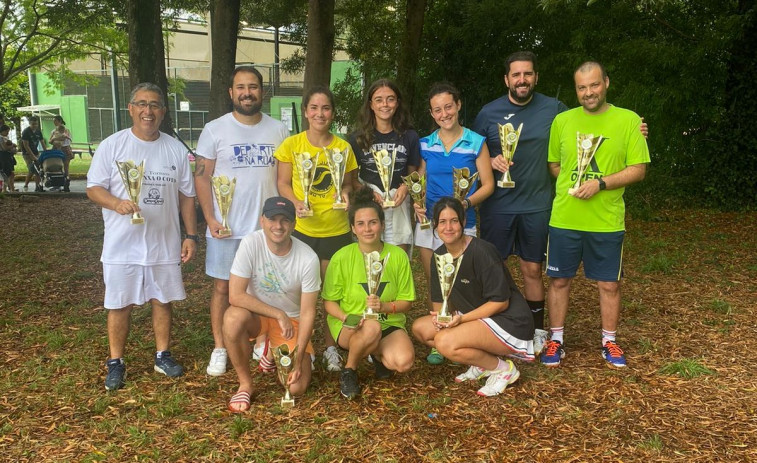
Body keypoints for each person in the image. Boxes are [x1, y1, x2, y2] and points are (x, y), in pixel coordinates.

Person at [473, 51, 650, 356]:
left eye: (527, 73)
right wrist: (490, 159)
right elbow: (472, 153)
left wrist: (634, 136)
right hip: (508, 206)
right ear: (506, 79)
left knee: (535, 269)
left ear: (536, 77)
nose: (522, 79)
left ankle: (540, 332)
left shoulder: (558, 110)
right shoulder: (494, 114)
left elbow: (616, 152)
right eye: (516, 75)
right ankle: (495, 328)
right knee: (500, 270)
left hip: (544, 206)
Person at [86, 82, 198, 391]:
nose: (148, 111)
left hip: (164, 241)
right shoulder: (113, 145)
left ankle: (162, 355)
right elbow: (93, 187)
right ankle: (116, 362)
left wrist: (191, 235)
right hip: (122, 244)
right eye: (142, 104)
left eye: (155, 105)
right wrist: (116, 203)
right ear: (131, 108)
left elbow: (187, 196)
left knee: (162, 300)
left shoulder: (175, 148)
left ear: (163, 111)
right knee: (119, 303)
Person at [540, 61, 650, 369]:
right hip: (564, 218)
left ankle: (609, 341)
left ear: (606, 83)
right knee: (559, 281)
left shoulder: (628, 121)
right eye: (582, 87)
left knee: (609, 285)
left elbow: (638, 170)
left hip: (606, 221)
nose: (588, 92)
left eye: (594, 85)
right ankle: (556, 339)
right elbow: (554, 165)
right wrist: (574, 186)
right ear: (576, 89)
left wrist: (599, 184)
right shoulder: (562, 121)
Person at [194, 65, 290, 377]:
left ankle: (263, 342)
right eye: (241, 87)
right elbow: (202, 177)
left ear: (263, 92)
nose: (247, 93)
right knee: (223, 288)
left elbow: (285, 179)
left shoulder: (278, 130)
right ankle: (220, 346)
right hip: (227, 228)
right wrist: (209, 218)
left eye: (253, 87)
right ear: (231, 93)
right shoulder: (214, 130)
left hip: (267, 229)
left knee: (264, 289)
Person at [412, 197, 534, 397]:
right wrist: (441, 319)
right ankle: (482, 362)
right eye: (442, 222)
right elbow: (439, 301)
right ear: (435, 225)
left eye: (454, 221)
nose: (448, 227)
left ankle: (504, 370)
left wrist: (460, 320)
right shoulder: (439, 256)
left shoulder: (482, 251)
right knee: (421, 329)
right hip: (473, 317)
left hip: (507, 321)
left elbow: (500, 302)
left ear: (462, 223)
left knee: (444, 342)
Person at [275, 86, 358, 372]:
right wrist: (296, 202)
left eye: (325, 108)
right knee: (299, 293)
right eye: (314, 108)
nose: (320, 113)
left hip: (335, 231)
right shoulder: (292, 145)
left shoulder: (343, 148)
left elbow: (348, 183)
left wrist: (345, 195)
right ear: (306, 111)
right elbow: (283, 183)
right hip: (303, 231)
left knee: (331, 295)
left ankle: (331, 347)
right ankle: (304, 345)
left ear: (332, 113)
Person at [413, 82, 495, 364]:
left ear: (458, 105)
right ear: (431, 113)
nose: (444, 113)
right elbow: (419, 182)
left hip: (464, 223)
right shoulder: (424, 143)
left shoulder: (476, 141)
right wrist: (416, 200)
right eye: (437, 109)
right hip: (429, 225)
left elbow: (488, 185)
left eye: (448, 106)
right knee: (436, 281)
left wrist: (466, 204)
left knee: (462, 283)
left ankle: (464, 334)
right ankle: (439, 337)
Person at [223, 196, 320, 412]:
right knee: (232, 318)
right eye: (272, 219)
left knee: (296, 388)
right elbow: (235, 296)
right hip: (258, 315)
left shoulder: (308, 258)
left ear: (294, 224)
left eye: (285, 220)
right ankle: (245, 384)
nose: (278, 226)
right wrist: (277, 313)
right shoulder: (250, 243)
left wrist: (299, 354)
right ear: (262, 221)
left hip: (292, 320)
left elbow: (308, 312)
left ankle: (275, 351)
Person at [321, 187, 415, 399]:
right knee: (370, 327)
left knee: (402, 362)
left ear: (382, 224)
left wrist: (385, 307)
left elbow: (406, 302)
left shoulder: (398, 256)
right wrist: (348, 318)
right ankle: (350, 370)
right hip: (350, 325)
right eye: (361, 224)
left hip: (387, 321)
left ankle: (377, 354)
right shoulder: (341, 257)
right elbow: (329, 303)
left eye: (373, 222)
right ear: (353, 228)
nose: (367, 229)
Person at [348, 79, 421, 253]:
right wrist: (368, 192)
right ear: (371, 105)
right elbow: (351, 180)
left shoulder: (409, 136)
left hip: (398, 206)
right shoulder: (357, 138)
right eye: (379, 99)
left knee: (397, 260)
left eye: (390, 99)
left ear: (397, 103)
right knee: (369, 262)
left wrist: (406, 187)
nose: (385, 104)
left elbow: (413, 174)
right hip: (369, 207)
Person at [20, 115, 45, 192]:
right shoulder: (26, 132)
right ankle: (27, 185)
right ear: (30, 123)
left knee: (37, 170)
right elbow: (26, 145)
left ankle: (37, 187)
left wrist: (46, 152)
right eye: (33, 124)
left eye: (36, 124)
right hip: (27, 154)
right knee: (33, 170)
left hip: (35, 152)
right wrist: (33, 156)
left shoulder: (38, 131)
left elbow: (42, 142)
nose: (35, 126)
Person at [49, 116, 74, 192]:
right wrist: (53, 140)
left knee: (66, 167)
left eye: (55, 121)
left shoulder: (65, 130)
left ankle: (66, 183)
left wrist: (54, 139)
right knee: (57, 167)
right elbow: (50, 141)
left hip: (65, 149)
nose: (54, 122)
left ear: (60, 121)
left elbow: (63, 138)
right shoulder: (53, 131)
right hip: (56, 149)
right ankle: (57, 183)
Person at [0, 125, 17, 192]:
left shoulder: (6, 137)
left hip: (8, 156)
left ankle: (10, 188)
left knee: (10, 173)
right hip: (3, 156)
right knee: (8, 173)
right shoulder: (1, 138)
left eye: (8, 131)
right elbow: (4, 148)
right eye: (6, 131)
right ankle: (7, 189)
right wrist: (13, 145)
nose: (7, 133)